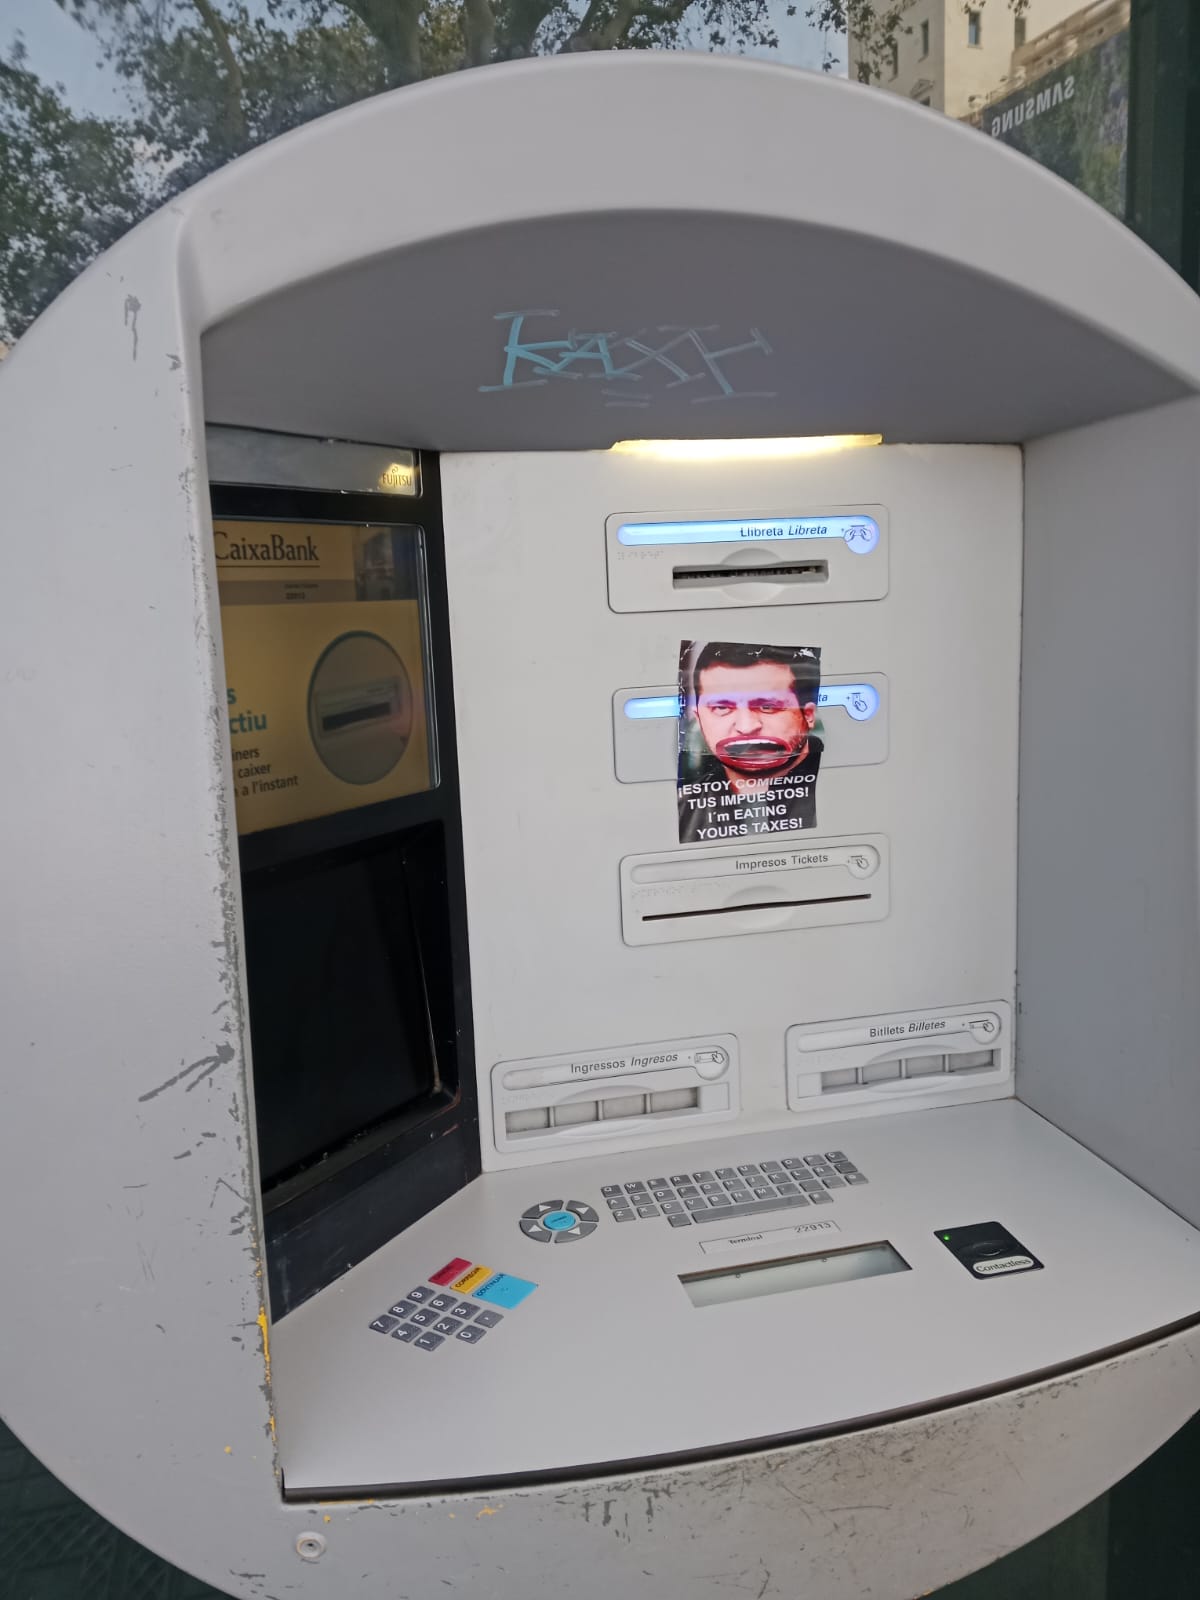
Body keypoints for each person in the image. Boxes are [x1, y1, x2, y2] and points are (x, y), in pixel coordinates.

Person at [677, 640, 823, 845]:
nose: (746, 727)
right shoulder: (680, 809)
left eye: (768, 706)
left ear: (808, 715)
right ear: (699, 719)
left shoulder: (849, 792)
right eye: (721, 708)